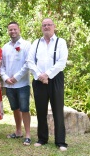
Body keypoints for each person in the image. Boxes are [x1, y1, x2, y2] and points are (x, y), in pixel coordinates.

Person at [26, 18, 68, 151]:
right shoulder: (36, 43)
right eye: (44, 25)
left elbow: (61, 62)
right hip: (39, 80)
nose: (46, 27)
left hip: (56, 79)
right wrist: (40, 76)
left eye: (49, 25)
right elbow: (30, 61)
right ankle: (42, 139)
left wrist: (47, 75)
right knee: (41, 111)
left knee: (58, 111)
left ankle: (60, 141)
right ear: (41, 27)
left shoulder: (61, 42)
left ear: (54, 27)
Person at [0, 22, 31, 145]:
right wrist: (6, 78)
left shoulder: (26, 45)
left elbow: (28, 63)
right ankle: (18, 131)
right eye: (10, 29)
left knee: (24, 109)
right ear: (8, 31)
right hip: (9, 84)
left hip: (22, 84)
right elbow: (2, 66)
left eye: (14, 29)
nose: (12, 31)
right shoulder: (5, 47)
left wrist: (16, 77)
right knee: (15, 109)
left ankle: (28, 135)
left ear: (19, 29)